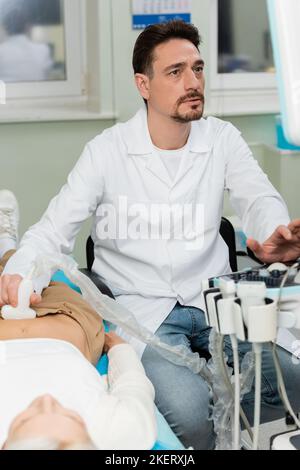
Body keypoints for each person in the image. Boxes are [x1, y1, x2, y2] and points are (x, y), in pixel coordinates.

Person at [1, 20, 300, 449]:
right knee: (194, 417)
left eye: (197, 69)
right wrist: (21, 274)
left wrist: (274, 236)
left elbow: (260, 200)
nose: (192, 81)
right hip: (145, 311)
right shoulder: (107, 151)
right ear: (143, 84)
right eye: (175, 72)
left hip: (214, 300)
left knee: (294, 379)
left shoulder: (222, 139)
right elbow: (52, 230)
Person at [0, 191, 156, 450]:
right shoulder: (124, 435)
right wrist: (119, 349)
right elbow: (133, 383)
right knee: (30, 276)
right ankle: (7, 245)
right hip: (65, 321)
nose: (47, 399)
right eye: (71, 416)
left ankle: (5, 242)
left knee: (11, 284)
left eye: (23, 420)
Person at [0, 5, 53, 82]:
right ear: (28, 26)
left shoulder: (1, 51)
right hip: (38, 93)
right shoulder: (43, 49)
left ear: (5, 27)